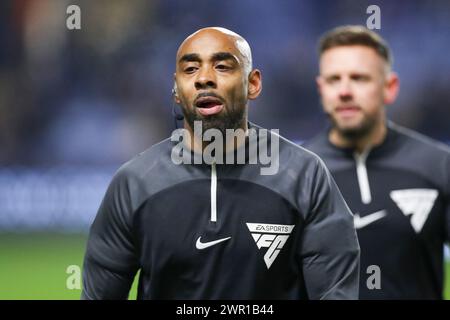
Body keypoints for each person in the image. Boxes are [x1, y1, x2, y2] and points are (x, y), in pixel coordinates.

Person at [81, 27, 360, 300]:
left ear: (253, 83)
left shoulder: (303, 175)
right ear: (177, 89)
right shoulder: (134, 183)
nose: (204, 78)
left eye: (223, 66)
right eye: (190, 69)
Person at [304, 25, 450, 299]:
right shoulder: (298, 175)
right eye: (334, 80)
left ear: (389, 87)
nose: (345, 91)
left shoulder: (439, 166)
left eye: (359, 78)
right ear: (321, 89)